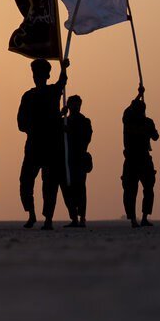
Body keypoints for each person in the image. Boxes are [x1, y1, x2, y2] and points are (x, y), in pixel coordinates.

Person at [17, 57, 70, 230]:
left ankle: (48, 219)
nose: (37, 77)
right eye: (35, 74)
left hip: (50, 145)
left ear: (46, 75)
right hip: (34, 144)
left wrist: (63, 68)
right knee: (26, 181)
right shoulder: (29, 95)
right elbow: (21, 122)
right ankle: (32, 214)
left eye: (39, 74)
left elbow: (62, 81)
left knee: (49, 183)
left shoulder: (52, 92)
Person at [122, 87, 159, 228]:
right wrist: (138, 94)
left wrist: (149, 130)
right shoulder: (128, 121)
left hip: (144, 158)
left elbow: (156, 137)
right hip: (131, 159)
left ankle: (144, 217)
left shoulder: (148, 122)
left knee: (148, 187)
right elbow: (128, 110)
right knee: (130, 189)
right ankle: (133, 219)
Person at [63, 94, 93, 228]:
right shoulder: (64, 121)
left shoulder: (85, 121)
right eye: (73, 104)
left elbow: (86, 138)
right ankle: (74, 217)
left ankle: (82, 218)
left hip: (79, 159)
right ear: (68, 106)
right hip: (67, 160)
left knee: (80, 189)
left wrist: (70, 132)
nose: (76, 107)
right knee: (68, 189)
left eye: (78, 104)